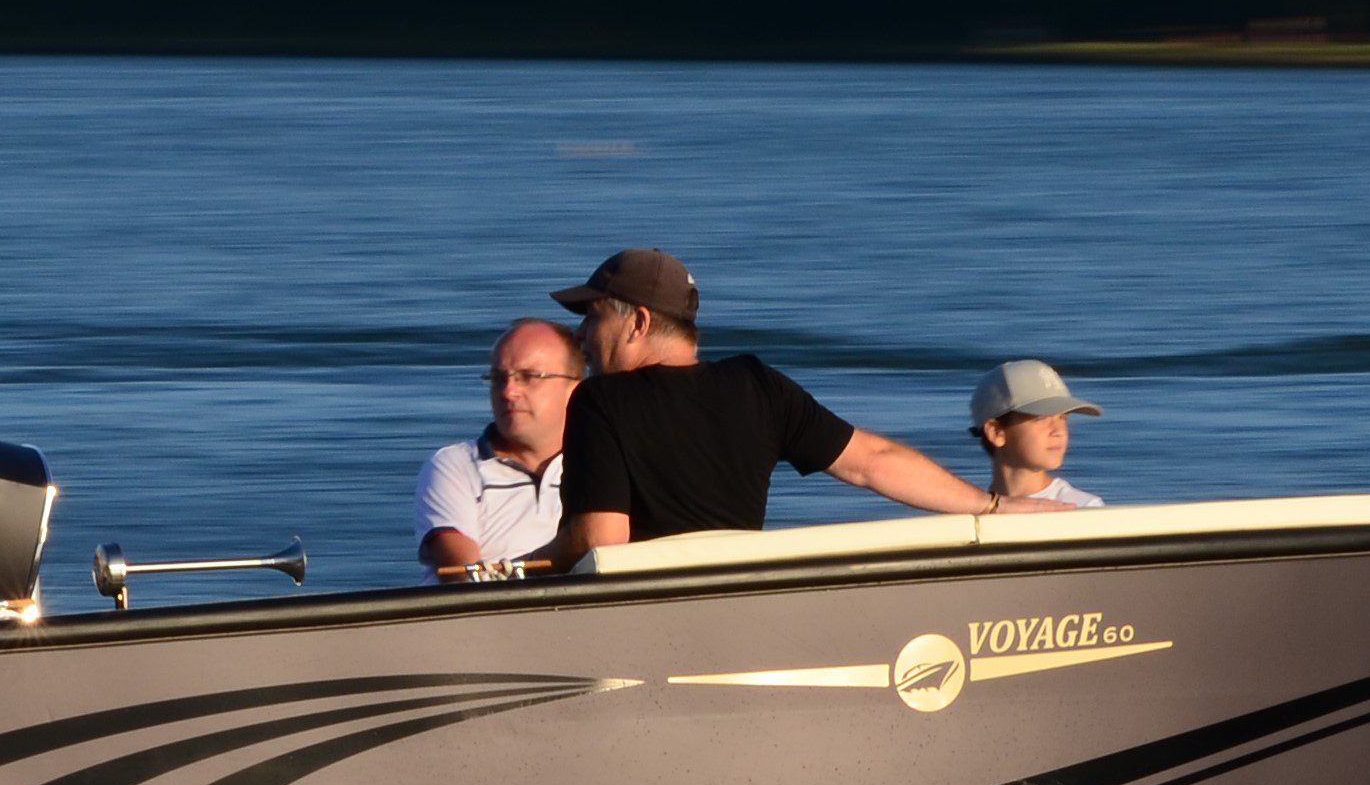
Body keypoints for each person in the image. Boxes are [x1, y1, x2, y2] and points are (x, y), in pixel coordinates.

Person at [539, 248, 998, 557]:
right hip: (740, 609)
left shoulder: (599, 401)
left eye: (592, 318)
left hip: (640, 622)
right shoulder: (757, 385)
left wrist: (513, 568)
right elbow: (873, 462)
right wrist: (992, 508)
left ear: (638, 323)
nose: (579, 335)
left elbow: (601, 541)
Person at [416, 318, 582, 579]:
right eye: (498, 378)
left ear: (574, 389)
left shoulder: (602, 466)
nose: (508, 391)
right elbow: (462, 575)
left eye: (529, 377)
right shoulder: (455, 466)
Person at [969, 359, 1104, 510]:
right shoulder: (968, 513)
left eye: (1063, 418)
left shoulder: (1083, 509)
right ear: (996, 432)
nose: (1058, 431)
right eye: (1041, 418)